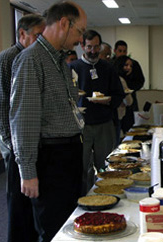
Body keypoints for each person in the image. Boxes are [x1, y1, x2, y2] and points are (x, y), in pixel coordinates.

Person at [9, 2, 87, 241]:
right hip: (50, 160)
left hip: (68, 155)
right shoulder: (31, 60)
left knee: (70, 225)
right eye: (80, 31)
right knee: (53, 229)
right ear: (64, 23)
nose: (80, 39)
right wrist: (28, 172)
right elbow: (23, 120)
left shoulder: (59, 61)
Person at [0, 14, 45, 242]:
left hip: (32, 143)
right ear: (22, 34)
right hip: (15, 146)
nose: (41, 41)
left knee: (34, 201)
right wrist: (15, 146)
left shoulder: (33, 57)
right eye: (37, 36)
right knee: (18, 203)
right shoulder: (7, 59)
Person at [69, 30, 125, 194]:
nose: (93, 51)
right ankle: (82, 200)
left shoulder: (108, 68)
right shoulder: (73, 68)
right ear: (82, 46)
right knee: (81, 167)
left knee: (105, 166)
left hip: (104, 123)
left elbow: (119, 94)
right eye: (89, 47)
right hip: (81, 125)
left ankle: (106, 197)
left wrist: (109, 101)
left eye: (96, 47)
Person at [112, 40, 145, 133]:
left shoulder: (134, 64)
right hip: (116, 104)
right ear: (115, 51)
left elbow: (140, 81)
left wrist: (127, 87)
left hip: (130, 99)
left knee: (130, 128)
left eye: (124, 51)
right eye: (120, 51)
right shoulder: (111, 65)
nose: (122, 53)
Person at [113, 55, 134, 145]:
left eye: (130, 66)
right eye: (126, 65)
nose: (128, 68)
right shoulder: (121, 80)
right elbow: (128, 101)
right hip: (116, 116)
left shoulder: (117, 78)